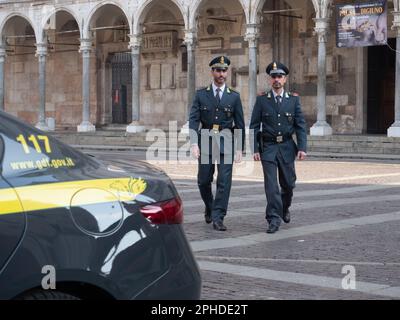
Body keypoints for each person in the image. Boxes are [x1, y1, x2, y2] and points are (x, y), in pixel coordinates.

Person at [249, 61, 307, 234]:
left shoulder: (294, 100)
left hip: (288, 147)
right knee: (272, 186)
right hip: (268, 147)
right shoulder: (262, 100)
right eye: (273, 76)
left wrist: (302, 147)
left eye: (280, 76)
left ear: (285, 79)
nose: (276, 79)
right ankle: (273, 218)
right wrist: (255, 149)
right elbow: (253, 126)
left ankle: (284, 207)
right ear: (269, 79)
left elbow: (300, 125)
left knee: (288, 184)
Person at [189, 56, 245, 231]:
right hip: (205, 138)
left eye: (224, 70)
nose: (221, 74)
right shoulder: (201, 94)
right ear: (212, 71)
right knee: (203, 180)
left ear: (227, 73)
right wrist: (193, 143)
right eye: (218, 70)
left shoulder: (234, 97)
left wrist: (239, 148)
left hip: (226, 140)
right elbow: (193, 119)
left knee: (224, 181)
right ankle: (210, 205)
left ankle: (218, 217)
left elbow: (240, 124)